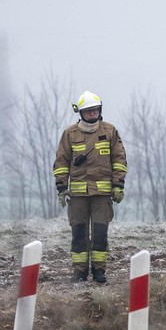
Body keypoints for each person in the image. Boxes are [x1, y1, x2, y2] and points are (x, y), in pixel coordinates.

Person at [54, 91, 128, 283]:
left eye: (95, 110)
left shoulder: (110, 131)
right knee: (78, 233)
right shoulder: (70, 134)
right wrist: (62, 188)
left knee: (100, 234)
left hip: (102, 196)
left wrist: (118, 185)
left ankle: (99, 271)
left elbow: (119, 160)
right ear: (81, 112)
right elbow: (61, 162)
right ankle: (79, 272)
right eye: (89, 111)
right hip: (78, 196)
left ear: (100, 110)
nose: (93, 113)